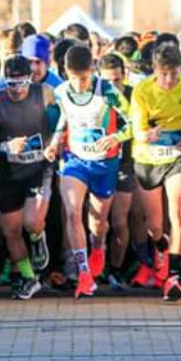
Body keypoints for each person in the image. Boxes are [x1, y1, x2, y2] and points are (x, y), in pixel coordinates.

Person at [43, 45, 130, 299]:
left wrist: (115, 137)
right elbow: (63, 119)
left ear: (92, 70)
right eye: (74, 79)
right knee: (71, 211)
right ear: (65, 73)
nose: (79, 84)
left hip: (105, 163)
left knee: (98, 222)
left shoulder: (108, 91)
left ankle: (98, 247)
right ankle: (83, 273)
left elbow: (133, 122)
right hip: (75, 160)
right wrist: (54, 143)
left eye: (84, 79)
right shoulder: (60, 92)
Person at [128, 43, 181, 300]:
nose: (170, 80)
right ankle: (160, 245)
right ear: (155, 70)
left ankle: (174, 276)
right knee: (156, 225)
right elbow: (136, 130)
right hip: (148, 158)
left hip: (178, 157)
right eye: (164, 74)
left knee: (177, 212)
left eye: (174, 74)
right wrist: (147, 135)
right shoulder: (142, 90)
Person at [0, 56, 57, 300]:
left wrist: (53, 146)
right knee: (11, 231)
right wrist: (6, 146)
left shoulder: (44, 93)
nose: (16, 90)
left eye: (22, 83)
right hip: (10, 173)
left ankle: (37, 236)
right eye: (11, 84)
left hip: (39, 168)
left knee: (32, 222)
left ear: (31, 79)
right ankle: (28, 278)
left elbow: (59, 126)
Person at [97, 52, 137, 288]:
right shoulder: (93, 95)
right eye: (108, 81)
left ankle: (117, 270)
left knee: (120, 220)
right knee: (98, 221)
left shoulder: (132, 96)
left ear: (125, 76)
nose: (113, 86)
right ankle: (96, 268)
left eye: (117, 80)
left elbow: (139, 126)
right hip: (98, 164)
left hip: (125, 163)